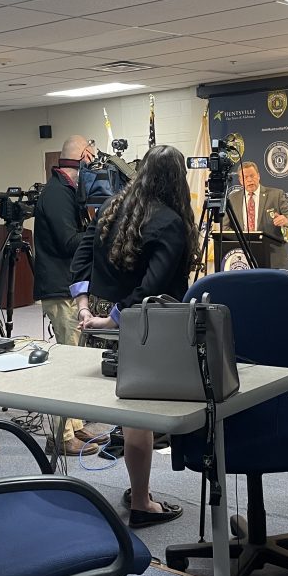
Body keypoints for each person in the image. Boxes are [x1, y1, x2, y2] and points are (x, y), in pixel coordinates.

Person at [70, 144, 198, 528]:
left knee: (127, 417)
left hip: (102, 322)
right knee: (139, 419)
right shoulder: (171, 222)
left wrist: (84, 308)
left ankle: (137, 491)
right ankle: (141, 502)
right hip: (141, 329)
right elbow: (153, 288)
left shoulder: (111, 207)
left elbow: (81, 256)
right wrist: (114, 320)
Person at [32, 134, 103, 457]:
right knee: (69, 363)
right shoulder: (57, 194)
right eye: (94, 158)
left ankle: (74, 426)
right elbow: (69, 242)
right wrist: (101, 233)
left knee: (78, 358)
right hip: (60, 289)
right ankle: (61, 437)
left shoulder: (67, 191)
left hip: (70, 286)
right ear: (84, 156)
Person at [223, 161, 288, 269]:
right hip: (242, 256)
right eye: (245, 177)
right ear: (240, 181)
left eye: (252, 176)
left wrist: (286, 220)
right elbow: (225, 227)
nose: (249, 180)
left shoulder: (276, 195)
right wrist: (240, 238)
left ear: (259, 176)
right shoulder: (233, 198)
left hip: (271, 255)